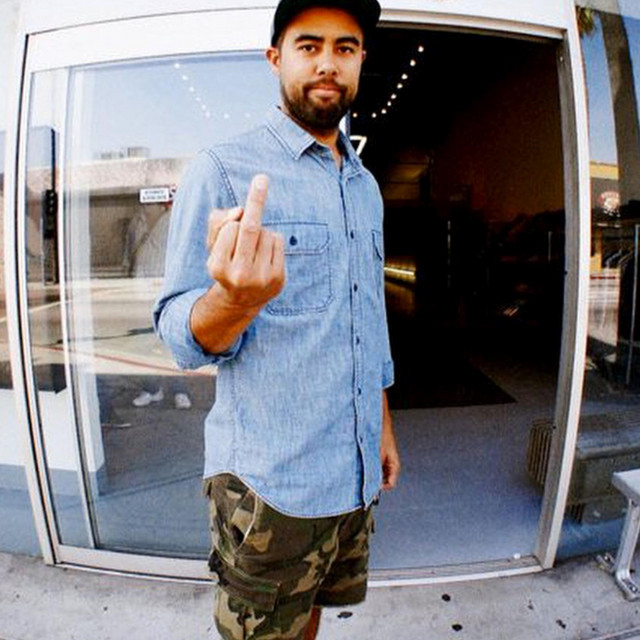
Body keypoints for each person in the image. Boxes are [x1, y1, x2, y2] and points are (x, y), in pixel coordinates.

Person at [153, 0, 400, 637]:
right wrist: (234, 301)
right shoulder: (225, 171)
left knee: (311, 613)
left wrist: (382, 424)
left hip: (352, 473)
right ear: (275, 58)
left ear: (361, 61)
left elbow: (366, 321)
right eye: (308, 45)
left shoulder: (365, 187)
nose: (327, 63)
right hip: (270, 488)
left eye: (345, 48)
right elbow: (178, 333)